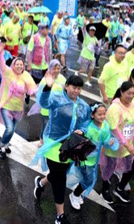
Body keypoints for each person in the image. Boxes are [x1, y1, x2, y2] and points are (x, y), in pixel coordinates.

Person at [32, 74, 90, 224]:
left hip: (71, 147)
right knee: (60, 180)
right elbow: (43, 102)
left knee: (59, 174)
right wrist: (48, 87)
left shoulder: (84, 106)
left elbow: (85, 123)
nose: (76, 91)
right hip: (54, 145)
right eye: (73, 87)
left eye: (79, 88)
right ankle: (60, 216)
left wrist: (82, 131)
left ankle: (41, 183)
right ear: (66, 86)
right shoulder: (57, 98)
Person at [67, 102, 118, 210]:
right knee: (89, 180)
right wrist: (81, 132)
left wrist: (109, 142)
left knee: (87, 179)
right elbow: (83, 132)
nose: (103, 116)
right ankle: (75, 195)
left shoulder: (105, 126)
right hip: (84, 160)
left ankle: (77, 193)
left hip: (94, 159)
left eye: (104, 114)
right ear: (92, 115)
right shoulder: (89, 127)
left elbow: (105, 139)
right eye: (100, 114)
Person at [0, 43, 37, 158]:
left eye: (21, 65)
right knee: (9, 128)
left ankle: (6, 145)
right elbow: (0, 62)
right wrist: (0, 51)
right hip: (6, 106)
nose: (19, 66)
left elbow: (32, 88)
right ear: (13, 65)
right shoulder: (7, 72)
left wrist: (38, 93)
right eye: (17, 64)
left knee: (12, 130)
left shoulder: (26, 75)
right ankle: (2, 146)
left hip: (18, 109)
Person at [99, 81, 134, 204]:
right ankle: (105, 190)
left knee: (131, 166)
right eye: (128, 93)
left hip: (129, 143)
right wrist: (127, 145)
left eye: (133, 93)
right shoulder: (114, 108)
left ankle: (120, 188)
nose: (131, 96)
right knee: (109, 167)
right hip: (115, 144)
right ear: (121, 92)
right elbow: (114, 128)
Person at [35, 60, 66, 142]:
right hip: (46, 109)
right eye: (54, 69)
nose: (56, 71)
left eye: (58, 68)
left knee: (53, 126)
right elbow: (40, 94)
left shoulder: (63, 79)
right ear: (50, 69)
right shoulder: (45, 79)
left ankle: (47, 141)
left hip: (57, 109)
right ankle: (42, 139)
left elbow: (65, 93)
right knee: (46, 125)